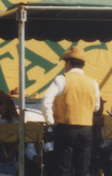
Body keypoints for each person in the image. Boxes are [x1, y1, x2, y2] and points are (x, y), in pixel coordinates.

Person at [40, 47, 101, 176]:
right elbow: (96, 107)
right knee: (83, 169)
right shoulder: (93, 83)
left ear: (68, 63)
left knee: (63, 168)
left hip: (65, 128)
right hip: (86, 129)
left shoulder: (62, 79)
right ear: (83, 64)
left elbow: (45, 102)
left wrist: (50, 121)